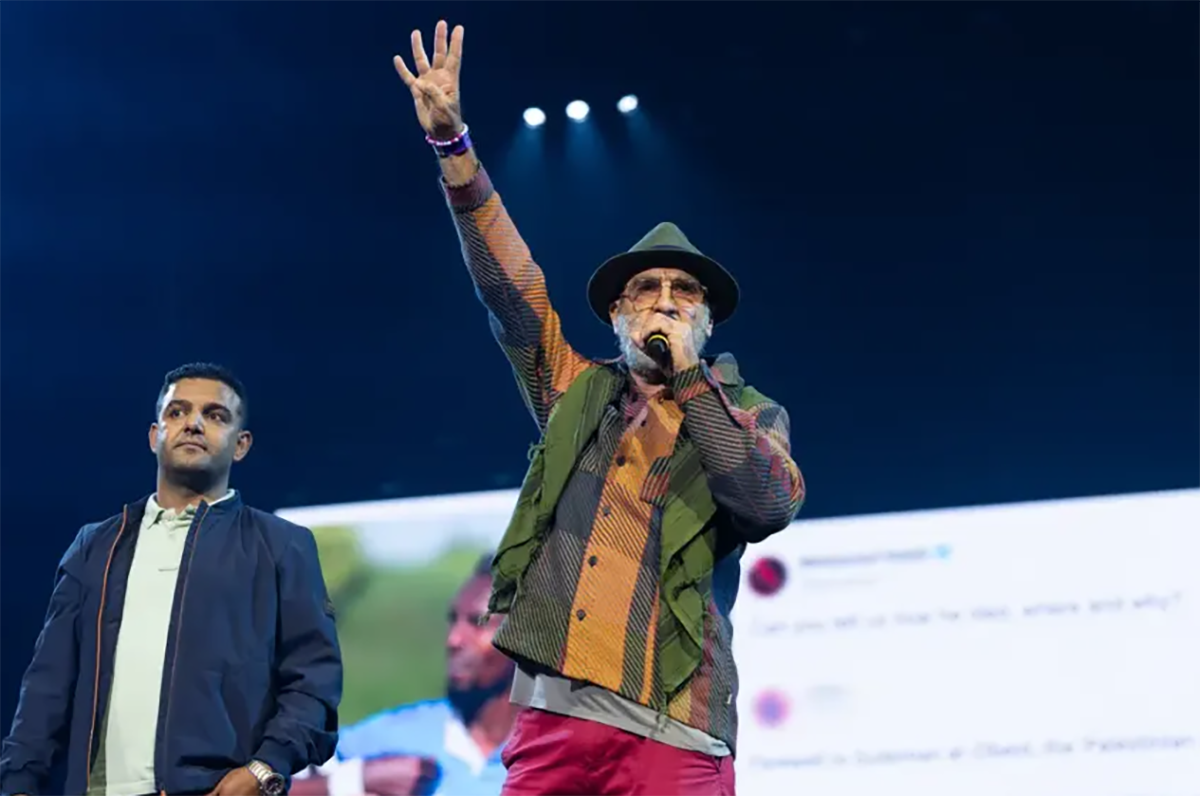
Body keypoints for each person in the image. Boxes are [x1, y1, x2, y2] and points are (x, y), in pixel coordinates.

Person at [391, 21, 806, 796]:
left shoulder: (749, 412)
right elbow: (511, 291)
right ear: (617, 312)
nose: (665, 301)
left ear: (707, 321)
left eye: (684, 292)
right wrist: (455, 149)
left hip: (676, 725)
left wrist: (689, 379)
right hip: (555, 720)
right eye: (646, 289)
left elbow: (768, 502)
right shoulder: (575, 390)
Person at [0, 363, 342, 796]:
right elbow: (47, 685)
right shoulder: (96, 546)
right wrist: (18, 783)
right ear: (154, 435)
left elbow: (314, 682)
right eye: (177, 412)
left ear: (241, 444)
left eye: (215, 415)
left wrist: (263, 769)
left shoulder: (281, 545)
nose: (193, 424)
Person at [291, 554, 519, 796]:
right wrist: (356, 780)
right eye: (453, 620)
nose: (453, 639)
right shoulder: (395, 736)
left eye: (478, 623)